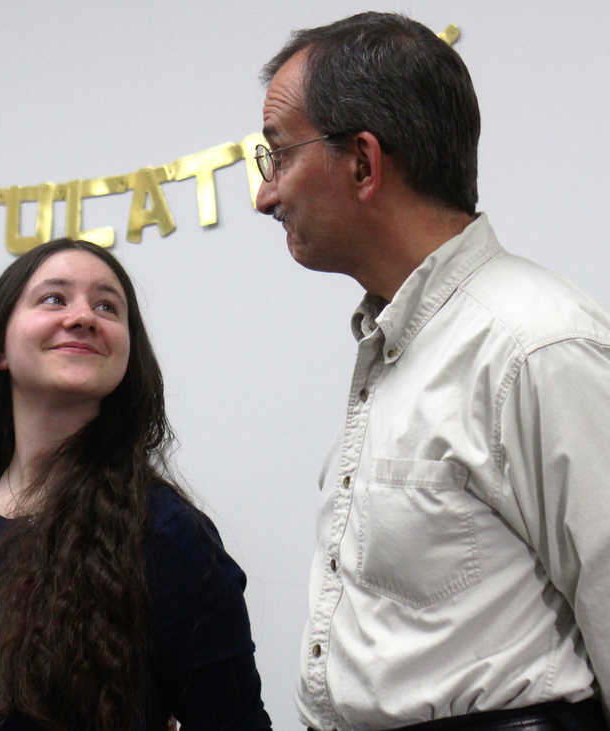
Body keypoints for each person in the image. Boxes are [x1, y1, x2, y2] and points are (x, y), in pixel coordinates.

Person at [253, 11, 610, 731]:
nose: (265, 193)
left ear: (362, 162)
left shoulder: (535, 345)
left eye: (278, 155)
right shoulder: (401, 344)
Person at [0, 238, 271, 730]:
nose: (83, 316)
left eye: (107, 306)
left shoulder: (169, 535)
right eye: (54, 298)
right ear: (1, 347)